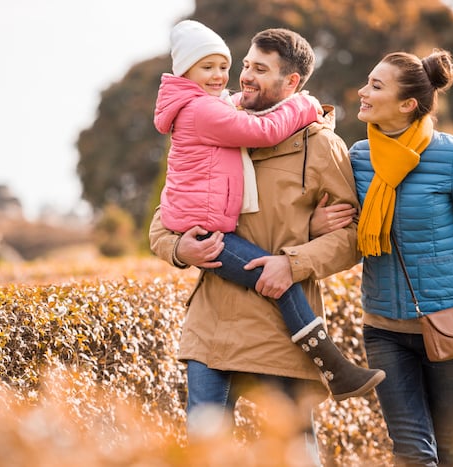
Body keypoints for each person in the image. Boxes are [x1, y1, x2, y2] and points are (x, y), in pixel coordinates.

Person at [150, 25, 363, 463]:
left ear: (292, 84)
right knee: (204, 457)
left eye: (259, 70)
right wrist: (179, 250)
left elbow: (352, 236)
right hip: (211, 330)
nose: (244, 76)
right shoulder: (216, 121)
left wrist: (295, 260)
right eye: (245, 64)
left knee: (295, 457)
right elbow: (166, 217)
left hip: (281, 336)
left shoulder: (322, 147)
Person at [310, 49, 453, 466]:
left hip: (452, 325)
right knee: (411, 452)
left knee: (451, 451)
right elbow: (346, 232)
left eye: (376, 86)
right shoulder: (356, 157)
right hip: (384, 329)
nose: (362, 91)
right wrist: (317, 224)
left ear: (408, 104)